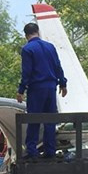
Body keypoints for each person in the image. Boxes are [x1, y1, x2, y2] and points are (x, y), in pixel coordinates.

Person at [16, 22, 67, 158]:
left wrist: (21, 90)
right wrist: (63, 83)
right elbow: (57, 66)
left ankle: (32, 151)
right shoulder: (50, 47)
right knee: (50, 120)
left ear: (26, 35)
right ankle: (50, 151)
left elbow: (27, 72)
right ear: (38, 32)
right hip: (51, 88)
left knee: (34, 119)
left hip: (36, 88)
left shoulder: (28, 49)